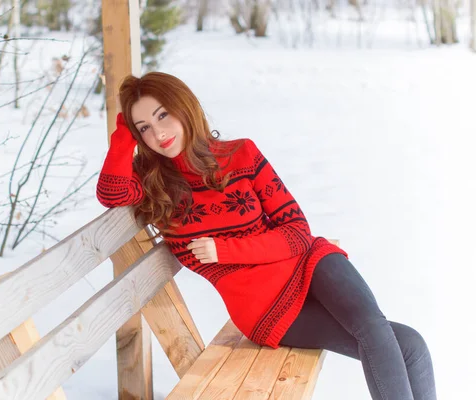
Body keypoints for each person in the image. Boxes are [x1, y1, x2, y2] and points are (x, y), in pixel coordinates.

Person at [95, 71, 436, 400]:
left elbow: (298, 233)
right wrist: (124, 133)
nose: (158, 133)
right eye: (145, 128)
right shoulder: (155, 185)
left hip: (311, 264)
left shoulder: (241, 154)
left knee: (406, 343)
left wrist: (226, 250)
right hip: (269, 311)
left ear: (183, 106)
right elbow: (111, 193)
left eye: (162, 115)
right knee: (391, 342)